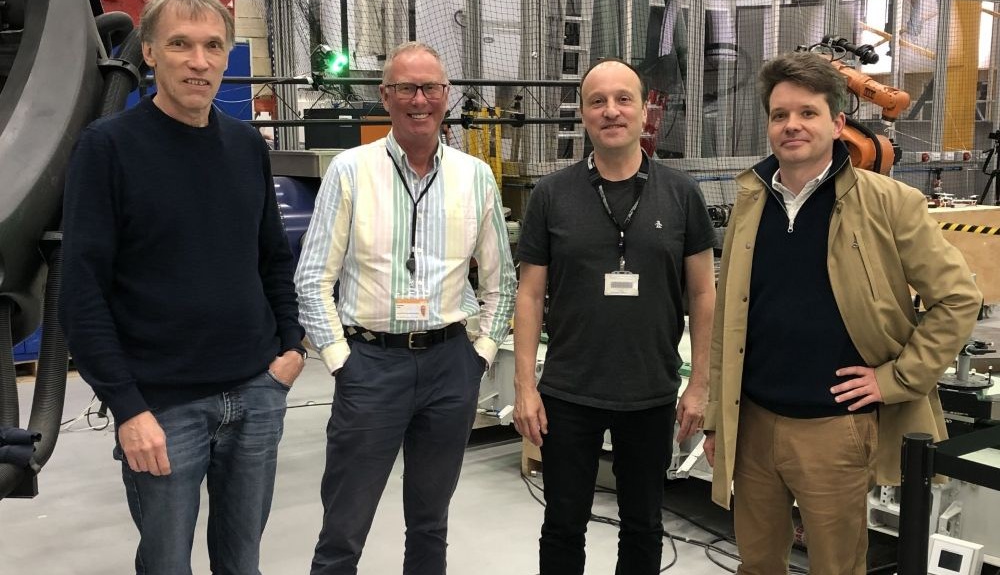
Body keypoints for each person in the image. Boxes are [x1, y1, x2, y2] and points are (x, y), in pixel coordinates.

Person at [703, 51, 982, 575]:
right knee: (757, 563)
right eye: (780, 114)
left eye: (807, 113)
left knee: (837, 567)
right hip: (755, 425)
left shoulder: (889, 203)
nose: (792, 126)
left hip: (835, 430)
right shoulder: (750, 198)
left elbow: (957, 299)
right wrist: (720, 416)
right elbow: (729, 319)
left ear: (837, 123)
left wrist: (896, 379)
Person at [60, 0, 306, 574]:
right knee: (167, 564)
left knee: (242, 562)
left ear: (226, 55)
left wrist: (291, 349)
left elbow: (272, 257)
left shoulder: (246, 146)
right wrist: (127, 408)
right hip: (163, 410)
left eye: (212, 46)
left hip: (255, 393)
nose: (199, 61)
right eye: (180, 44)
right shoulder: (108, 148)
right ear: (149, 52)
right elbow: (82, 290)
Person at [295, 41, 517, 575]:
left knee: (430, 522)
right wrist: (340, 360)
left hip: (449, 367)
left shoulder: (474, 176)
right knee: (344, 528)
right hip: (371, 365)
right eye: (406, 88)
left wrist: (480, 354)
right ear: (385, 96)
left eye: (431, 88)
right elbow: (310, 279)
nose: (420, 100)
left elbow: (501, 280)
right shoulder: (350, 172)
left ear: (446, 96)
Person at [513, 58, 717, 575]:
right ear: (582, 114)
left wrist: (700, 387)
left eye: (623, 99)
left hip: (649, 392)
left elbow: (703, 293)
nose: (611, 111)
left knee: (644, 524)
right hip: (568, 392)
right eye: (597, 101)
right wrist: (524, 388)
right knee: (562, 524)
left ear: (644, 108)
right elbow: (530, 296)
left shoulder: (681, 193)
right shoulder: (551, 195)